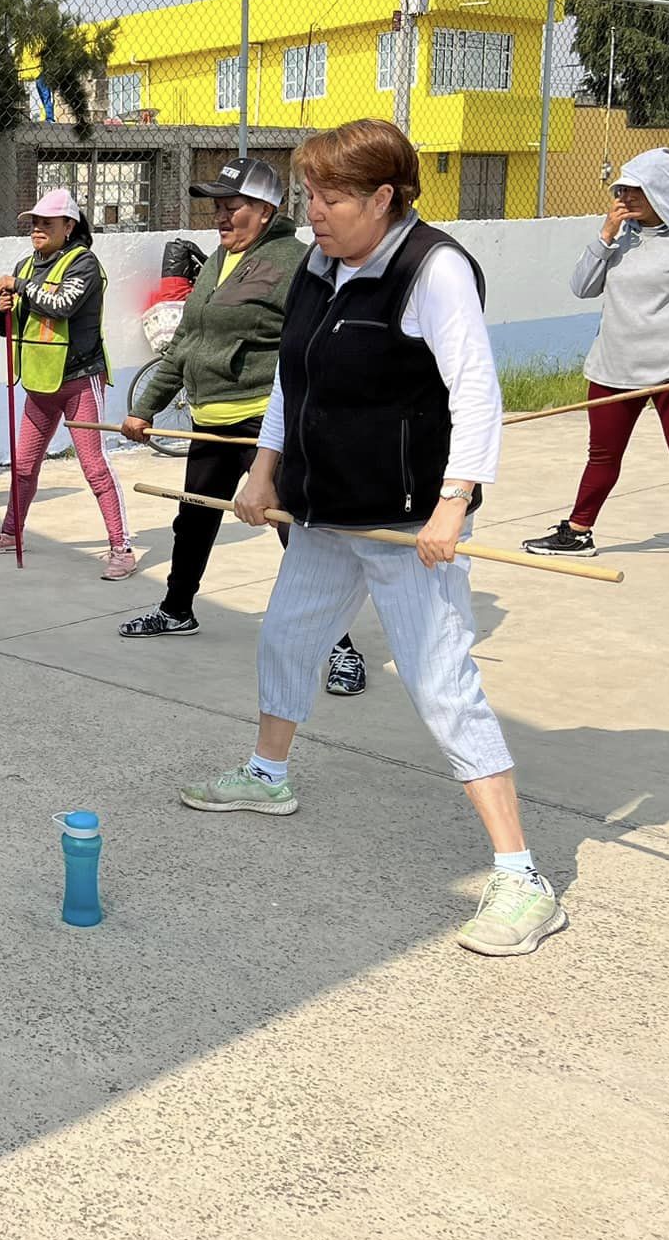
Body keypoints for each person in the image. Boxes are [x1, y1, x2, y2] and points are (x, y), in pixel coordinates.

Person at [177, 119, 564, 957]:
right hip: (324, 507)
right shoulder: (318, 264)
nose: (312, 212)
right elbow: (294, 375)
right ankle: (268, 776)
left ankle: (520, 875)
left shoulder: (434, 270)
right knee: (287, 636)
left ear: (384, 197)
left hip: (403, 516)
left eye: (331, 197)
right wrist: (266, 471)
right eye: (310, 194)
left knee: (439, 680)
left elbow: (475, 393)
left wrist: (453, 505)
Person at [117, 158, 368, 697]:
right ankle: (177, 609)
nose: (221, 218)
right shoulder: (216, 263)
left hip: (264, 421)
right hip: (210, 419)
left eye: (233, 208)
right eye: (217, 208)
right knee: (195, 518)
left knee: (291, 531)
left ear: (266, 210)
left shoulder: (296, 263)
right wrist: (147, 407)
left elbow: (315, 342)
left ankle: (340, 647)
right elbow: (186, 342)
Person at [523, 148, 669, 586]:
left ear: (662, 190)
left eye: (634, 188)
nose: (624, 195)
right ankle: (579, 532)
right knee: (601, 457)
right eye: (621, 187)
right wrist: (604, 237)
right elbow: (582, 288)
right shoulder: (621, 235)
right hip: (612, 369)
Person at [0, 189, 137, 579]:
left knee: (94, 467)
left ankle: (121, 547)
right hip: (40, 381)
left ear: (69, 226)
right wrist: (2, 311)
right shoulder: (26, 265)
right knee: (24, 465)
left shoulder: (84, 264)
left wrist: (20, 287)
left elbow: (62, 305)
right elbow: (10, 327)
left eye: (47, 222)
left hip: (80, 380)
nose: (37, 229)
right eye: (34, 222)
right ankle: (11, 532)